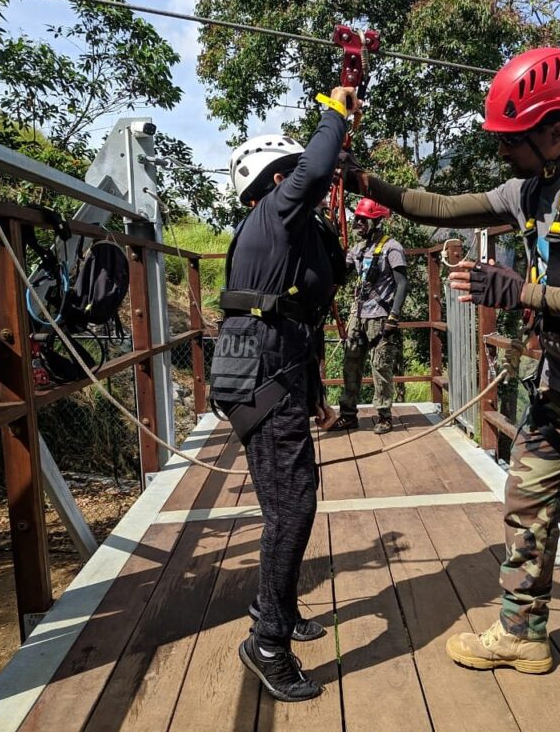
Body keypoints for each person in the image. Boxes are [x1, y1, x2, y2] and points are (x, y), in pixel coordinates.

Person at [344, 47, 560, 718]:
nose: (504, 150)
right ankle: (522, 633)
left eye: (513, 139)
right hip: (558, 388)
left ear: (556, 132)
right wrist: (371, 182)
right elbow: (444, 208)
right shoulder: (528, 190)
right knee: (525, 508)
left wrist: (521, 291)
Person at [209, 85, 357, 703]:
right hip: (261, 372)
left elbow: (299, 315)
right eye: (292, 175)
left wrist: (316, 389)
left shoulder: (286, 239)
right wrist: (338, 105)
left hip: (276, 367)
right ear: (275, 181)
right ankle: (268, 643)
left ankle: (279, 605)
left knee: (291, 500)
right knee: (292, 507)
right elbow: (318, 165)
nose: (305, 184)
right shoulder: (273, 214)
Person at [330, 198, 408, 434]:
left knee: (380, 366)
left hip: (380, 316)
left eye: (364, 220)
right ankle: (348, 415)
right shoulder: (358, 248)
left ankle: (384, 416)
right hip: (359, 314)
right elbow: (342, 272)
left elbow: (402, 283)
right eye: (357, 220)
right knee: (351, 363)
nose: (359, 224)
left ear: (376, 221)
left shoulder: (391, 247)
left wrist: (393, 316)